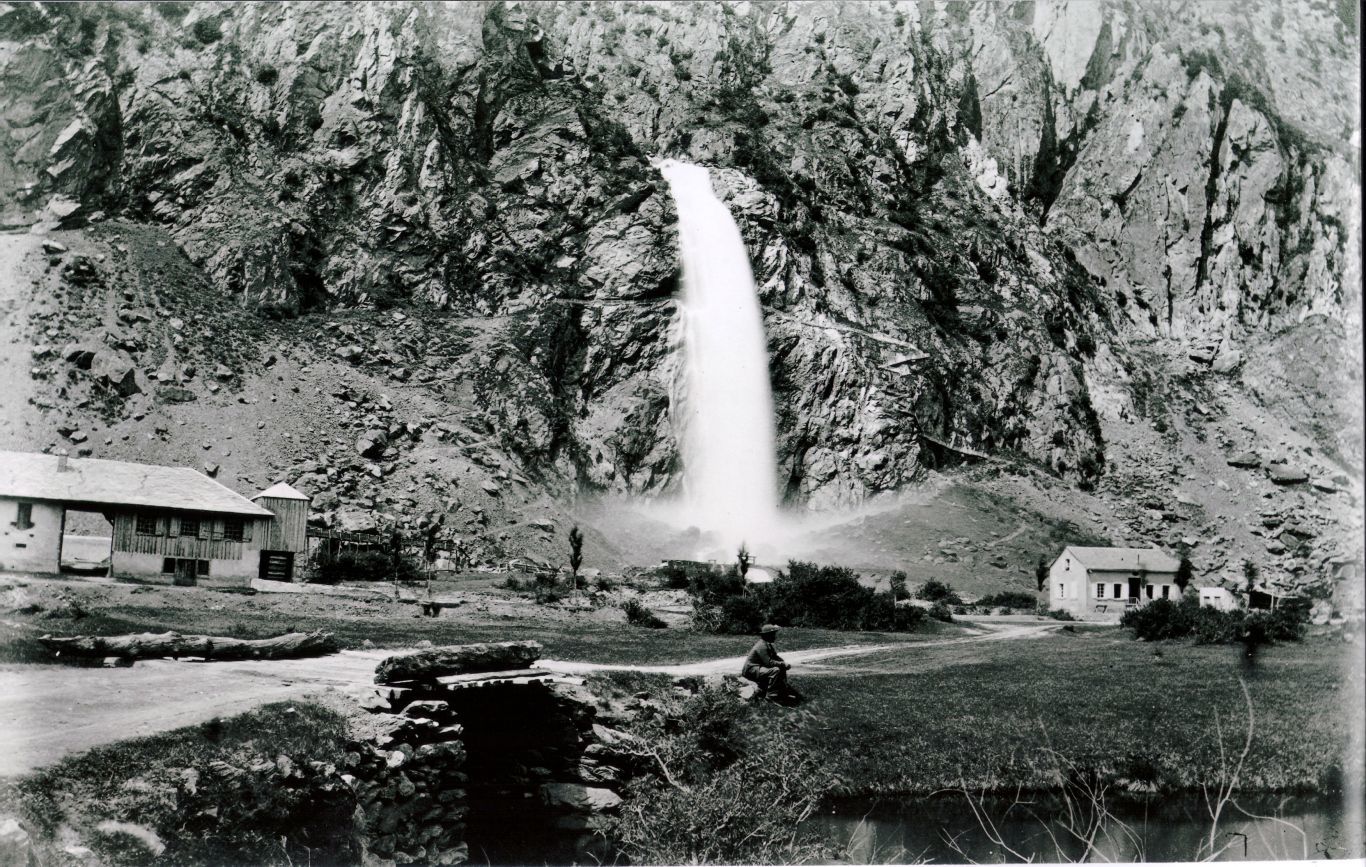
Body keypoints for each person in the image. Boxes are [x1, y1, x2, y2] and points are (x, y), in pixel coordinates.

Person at [742, 624, 802, 704]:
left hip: (757, 668)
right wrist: (783, 664)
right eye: (773, 634)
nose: (775, 636)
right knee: (775, 671)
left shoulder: (767, 644)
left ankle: (782, 692)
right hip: (751, 670)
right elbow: (769, 662)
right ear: (768, 635)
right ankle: (770, 697)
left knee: (779, 668)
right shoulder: (762, 646)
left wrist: (783, 663)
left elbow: (775, 657)